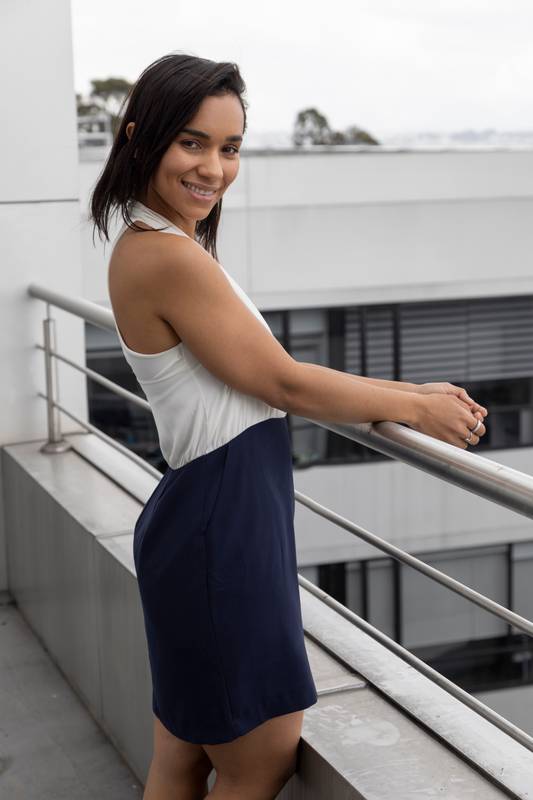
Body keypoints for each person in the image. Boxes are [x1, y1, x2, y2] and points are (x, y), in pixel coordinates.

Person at [90, 52, 488, 800]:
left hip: (205, 517)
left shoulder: (152, 241)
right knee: (256, 761)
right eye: (193, 142)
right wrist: (415, 405)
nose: (214, 167)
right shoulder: (165, 256)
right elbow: (279, 380)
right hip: (220, 525)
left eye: (230, 147)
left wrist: (405, 389)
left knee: (183, 754)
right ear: (140, 139)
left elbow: (263, 371)